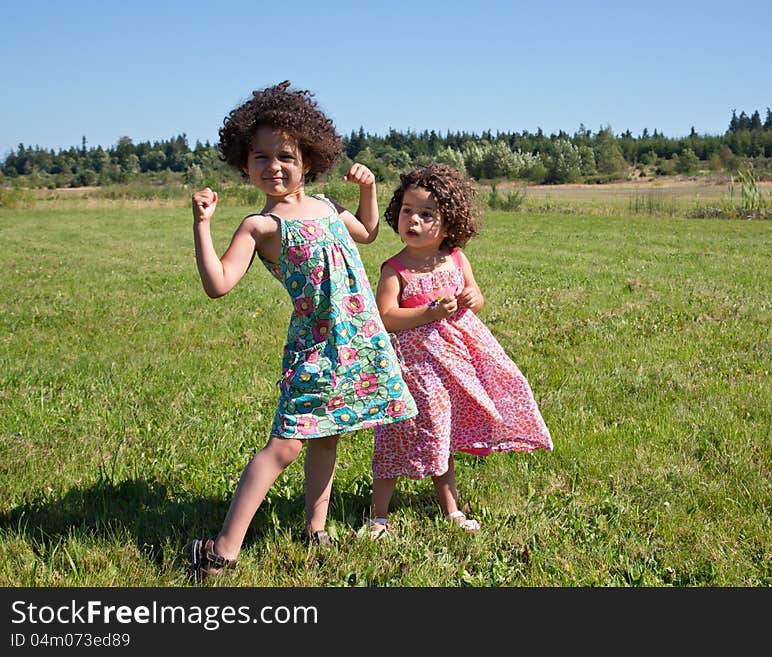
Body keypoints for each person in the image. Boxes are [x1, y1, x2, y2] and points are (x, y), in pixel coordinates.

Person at [186, 81, 416, 581]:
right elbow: (218, 284)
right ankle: (221, 550)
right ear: (244, 165)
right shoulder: (260, 227)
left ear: (308, 160)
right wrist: (202, 225)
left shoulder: (330, 209)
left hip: (356, 341)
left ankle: (316, 530)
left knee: (327, 437)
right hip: (315, 348)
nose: (273, 166)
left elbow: (368, 232)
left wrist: (368, 191)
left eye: (285, 156)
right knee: (285, 445)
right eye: (260, 157)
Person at [368, 163, 552, 538]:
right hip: (413, 368)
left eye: (426, 214)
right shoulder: (395, 269)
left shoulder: (455, 258)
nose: (413, 220)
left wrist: (472, 297)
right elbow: (385, 317)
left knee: (442, 434)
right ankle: (378, 515)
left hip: (454, 365)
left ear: (449, 224)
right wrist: (429, 312)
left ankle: (450, 508)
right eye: (407, 211)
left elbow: (477, 298)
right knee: (394, 436)